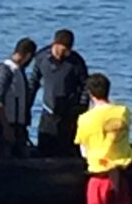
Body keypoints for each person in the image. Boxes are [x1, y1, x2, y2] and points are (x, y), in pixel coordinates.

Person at [75, 74, 132, 204]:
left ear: (90, 93)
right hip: (121, 176)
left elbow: (84, 150)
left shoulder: (85, 119)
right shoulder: (123, 112)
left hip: (99, 177)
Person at [29, 29, 89, 158]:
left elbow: (85, 85)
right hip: (48, 111)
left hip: (69, 113)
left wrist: (82, 107)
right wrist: (27, 104)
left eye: (68, 51)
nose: (65, 54)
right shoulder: (41, 58)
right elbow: (33, 82)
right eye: (63, 50)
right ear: (55, 44)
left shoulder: (76, 62)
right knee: (45, 148)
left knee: (67, 149)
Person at [0, 38, 38, 159]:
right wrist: (6, 127)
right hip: (4, 125)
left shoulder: (17, 71)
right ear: (28, 55)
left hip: (15, 125)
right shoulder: (6, 70)